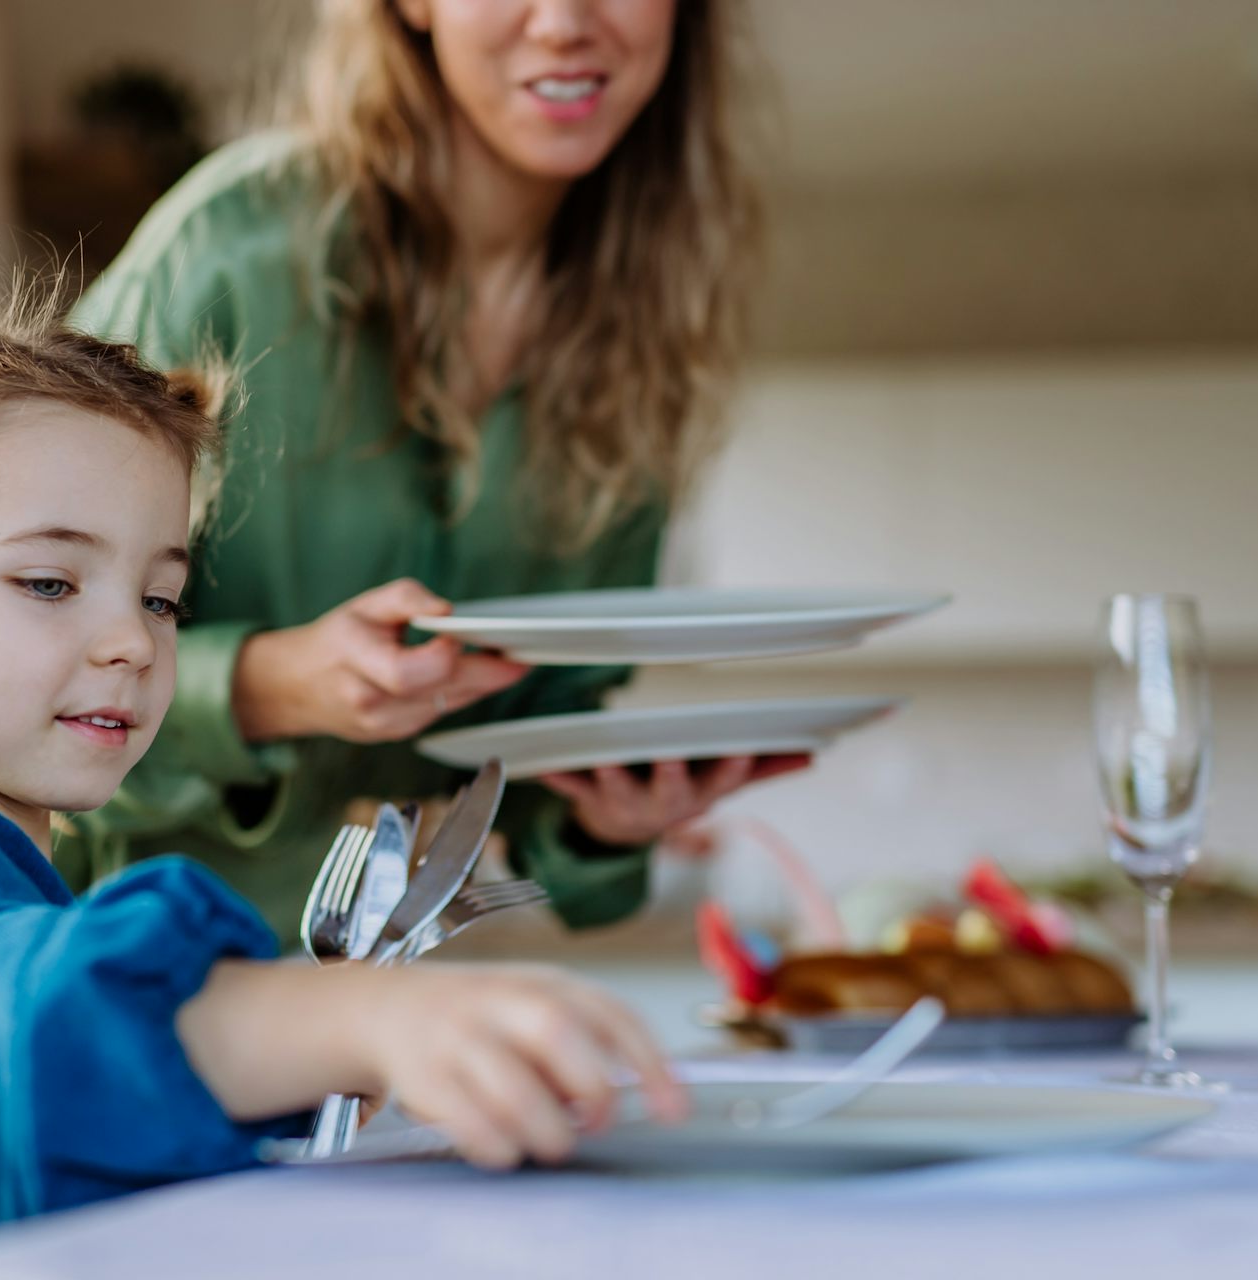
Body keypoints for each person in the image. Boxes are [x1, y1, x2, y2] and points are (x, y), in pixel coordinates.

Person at [0, 260, 683, 1232]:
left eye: (161, 597)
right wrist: (364, 1018)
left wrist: (318, 1067)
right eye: (49, 582)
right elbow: (42, 1038)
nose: (135, 640)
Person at [66, 0, 805, 940]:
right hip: (122, 975)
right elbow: (19, 658)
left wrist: (605, 820)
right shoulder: (233, 249)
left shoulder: (645, 326)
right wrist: (271, 684)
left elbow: (546, 759)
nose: (567, 21)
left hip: (394, 1007)